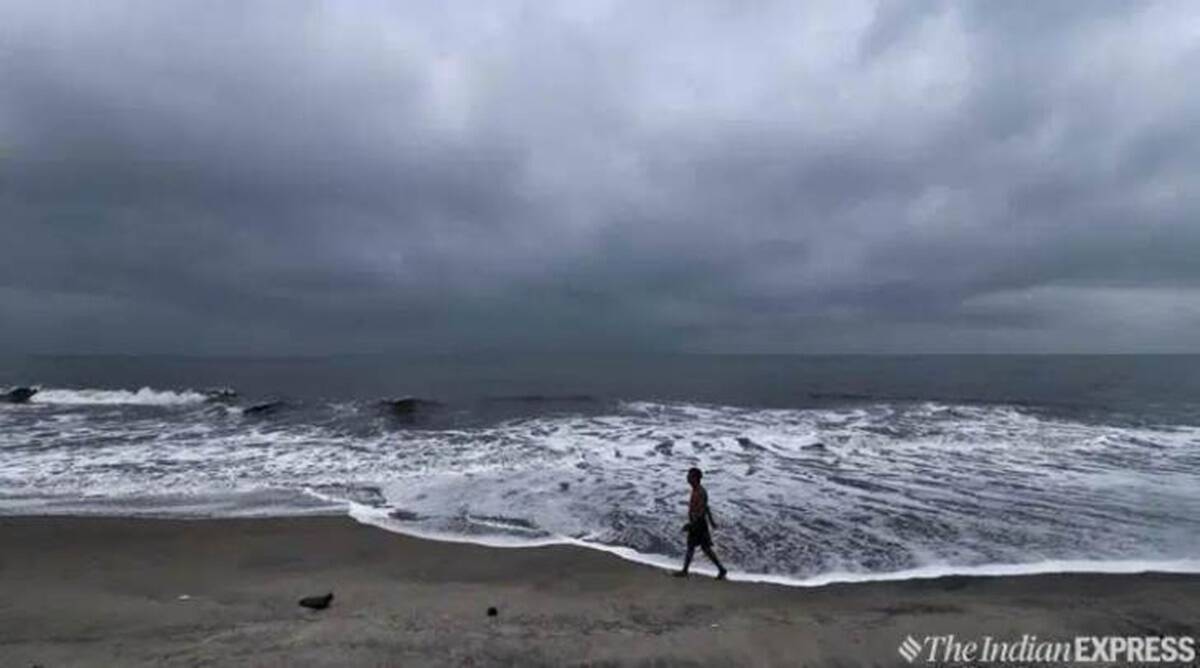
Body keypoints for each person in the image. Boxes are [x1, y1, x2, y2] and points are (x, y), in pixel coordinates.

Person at [674, 467, 728, 580]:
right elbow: (707, 508)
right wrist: (712, 521)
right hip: (697, 522)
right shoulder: (695, 490)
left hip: (699, 524)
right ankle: (720, 569)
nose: (687, 477)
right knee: (697, 547)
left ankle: (720, 569)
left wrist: (691, 524)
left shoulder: (700, 492)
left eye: (690, 476)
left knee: (702, 548)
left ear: (695, 478)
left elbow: (702, 510)